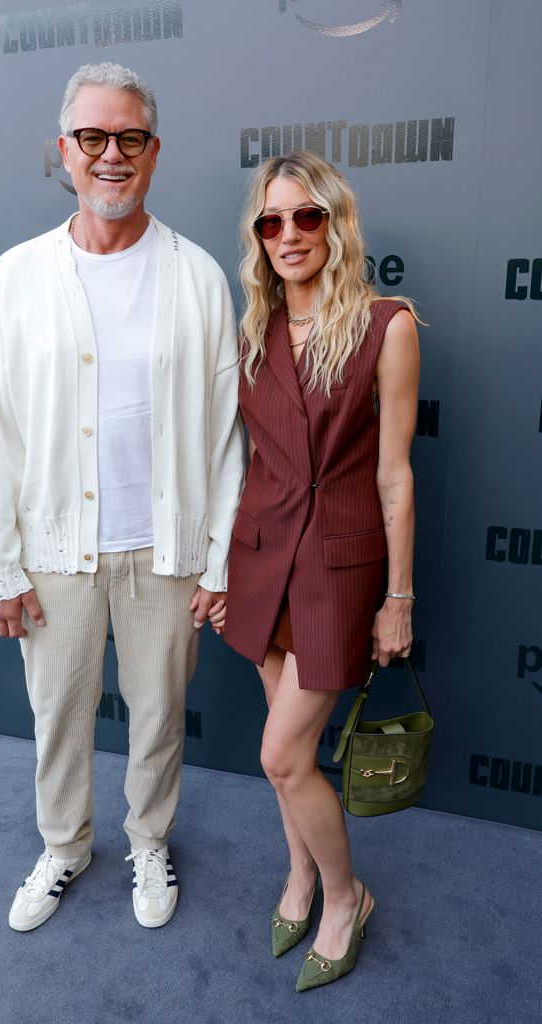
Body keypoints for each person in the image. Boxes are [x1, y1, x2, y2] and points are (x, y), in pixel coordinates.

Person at [0, 61, 243, 932]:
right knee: (58, 716)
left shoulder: (198, 276)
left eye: (129, 137)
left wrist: (218, 558)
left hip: (166, 550)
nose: (111, 154)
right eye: (92, 137)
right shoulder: (17, 275)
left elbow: (226, 436)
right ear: (65, 150)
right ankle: (64, 845)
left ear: (154, 151)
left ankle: (149, 840)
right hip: (55, 551)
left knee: (159, 718)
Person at [221, 152, 420, 990]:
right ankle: (300, 874)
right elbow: (246, 461)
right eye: (272, 222)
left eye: (307, 216)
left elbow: (395, 474)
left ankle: (346, 898)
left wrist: (398, 598)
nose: (289, 235)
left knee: (281, 755)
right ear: (258, 237)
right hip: (261, 560)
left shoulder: (387, 325)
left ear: (335, 223)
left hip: (338, 570)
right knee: (290, 752)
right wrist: (218, 570)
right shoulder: (252, 331)